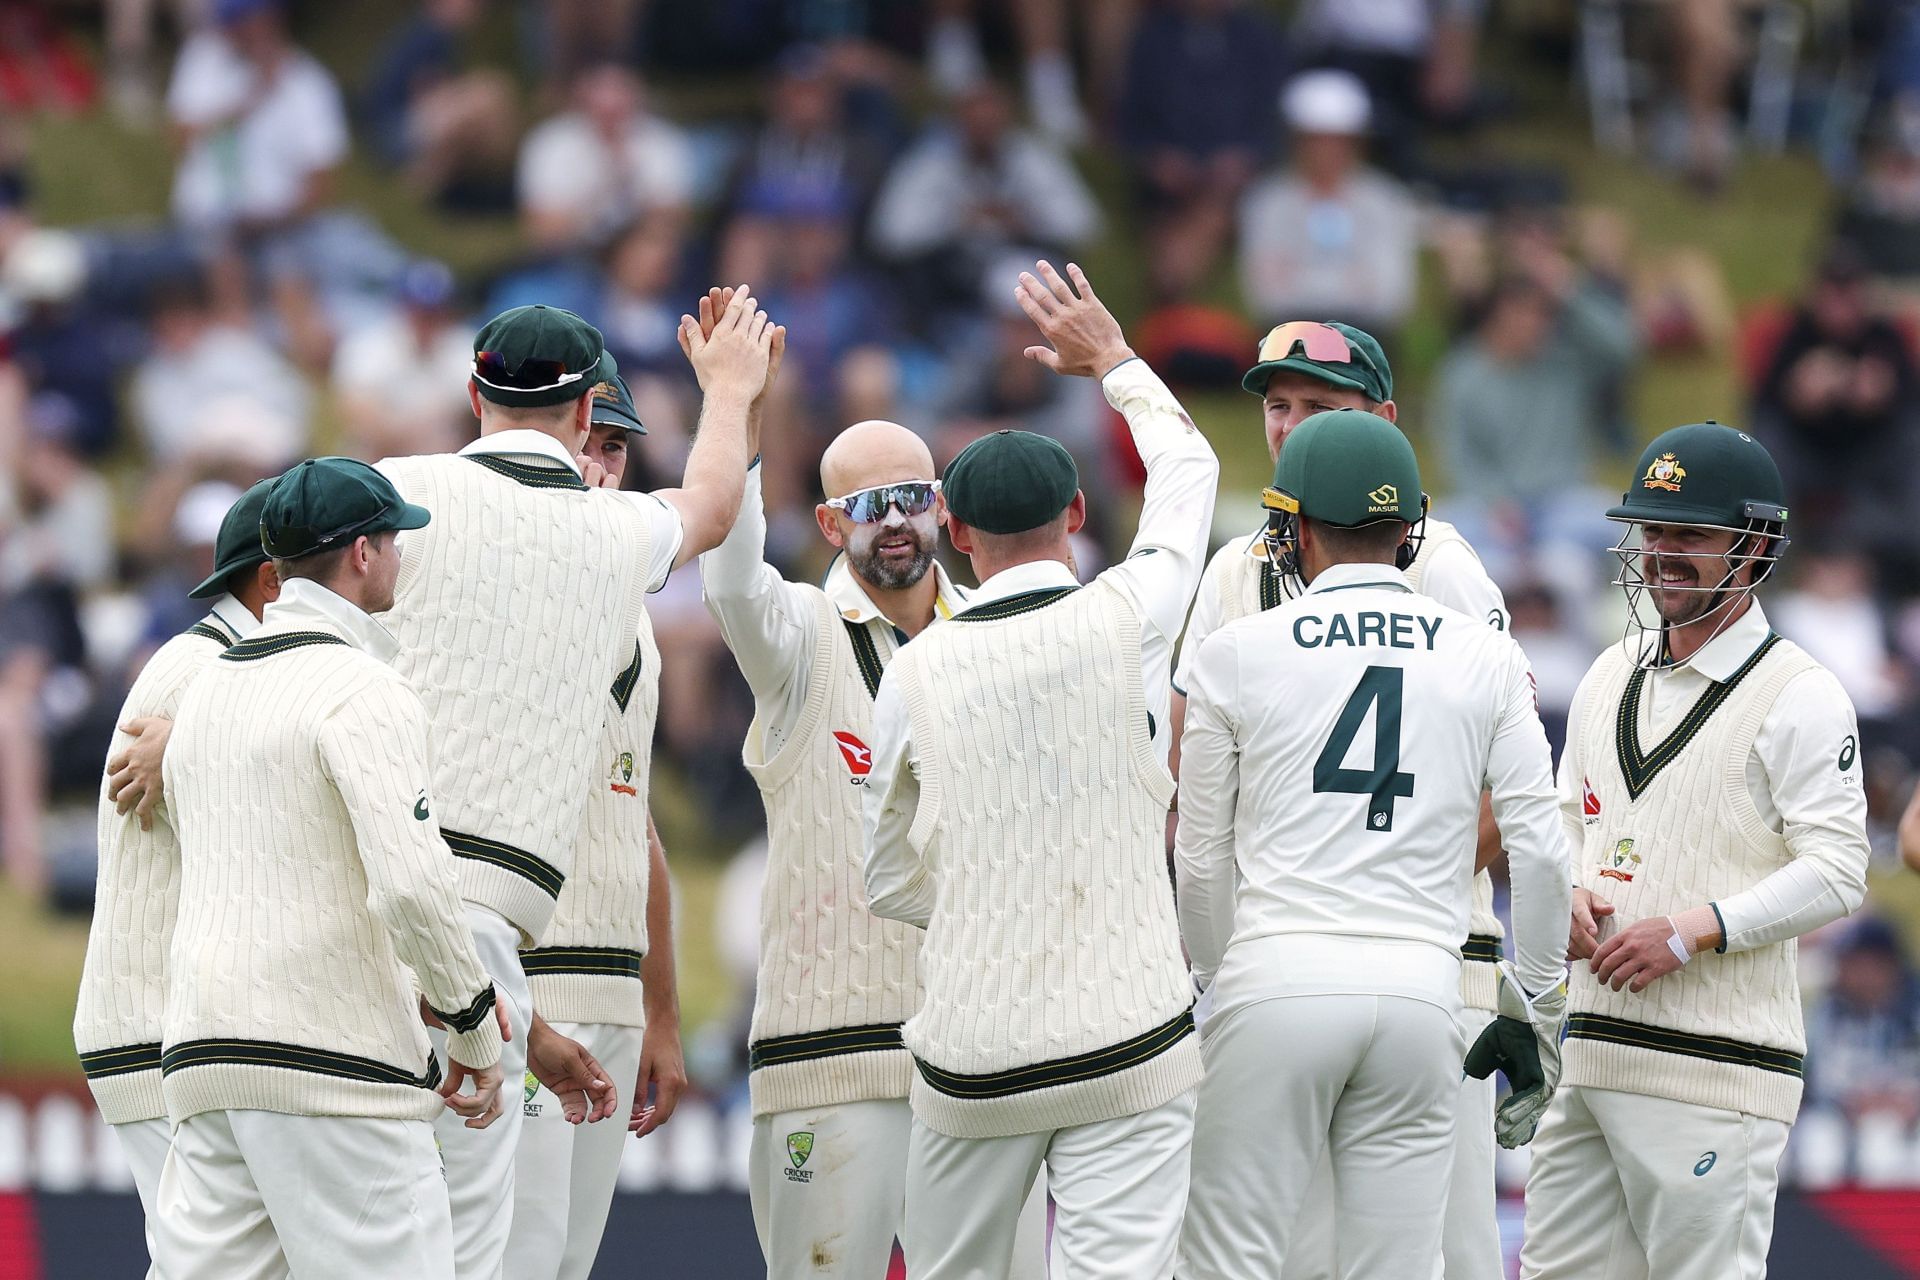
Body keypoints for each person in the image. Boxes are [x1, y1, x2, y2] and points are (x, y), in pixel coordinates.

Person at [371, 294, 770, 1278]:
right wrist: (729, 388)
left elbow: (275, 599)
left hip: (386, 916)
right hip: (490, 945)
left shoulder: (391, 490)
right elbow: (715, 503)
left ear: (472, 394)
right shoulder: (605, 536)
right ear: (592, 414)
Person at [863, 261, 1218, 1277]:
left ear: (956, 536)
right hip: (1131, 1040)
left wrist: (985, 898)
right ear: (1074, 515)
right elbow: (1189, 472)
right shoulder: (1131, 610)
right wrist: (1113, 359)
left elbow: (887, 875)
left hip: (975, 1052)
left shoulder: (914, 669)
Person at [698, 288, 1053, 1278]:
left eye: (911, 497)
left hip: (983, 1055)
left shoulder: (996, 633)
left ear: (942, 505)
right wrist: (740, 407)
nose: (893, 522)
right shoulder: (799, 638)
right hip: (831, 1052)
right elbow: (728, 581)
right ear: (827, 519)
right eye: (867, 505)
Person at [1173, 409, 1572, 1278]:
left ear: (1298, 527)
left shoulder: (1237, 649)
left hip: (1275, 973)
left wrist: (1216, 978)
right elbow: (1539, 847)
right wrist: (1535, 1007)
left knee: (1229, 1262)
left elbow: (1199, 859)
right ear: (1407, 530)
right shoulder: (1487, 656)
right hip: (1425, 990)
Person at [1521, 422, 1872, 1279]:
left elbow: (1838, 870)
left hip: (1717, 1072)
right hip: (1591, 1051)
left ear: (1754, 547)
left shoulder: (1801, 693)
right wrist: (1564, 889)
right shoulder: (1607, 672)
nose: (1661, 554)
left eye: (1690, 535)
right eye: (1652, 530)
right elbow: (1568, 819)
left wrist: (1694, 930)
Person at [151, 458, 507, 1279]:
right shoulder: (363, 688)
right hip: (332, 1064)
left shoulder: (206, 693)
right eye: (394, 540)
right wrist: (474, 1023)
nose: (402, 557)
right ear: (360, 554)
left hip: (207, 1054)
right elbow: (413, 883)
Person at [503, 374, 687, 1280]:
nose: (601, 465)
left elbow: (636, 820)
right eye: (592, 442)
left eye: (617, 449)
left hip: (612, 986)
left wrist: (661, 1011)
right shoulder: (503, 575)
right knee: (513, 1261)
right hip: (528, 983)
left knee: (566, 1265)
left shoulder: (638, 613)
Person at [72, 477, 279, 1265]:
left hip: (174, 1027)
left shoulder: (223, 669)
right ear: (271, 580)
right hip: (158, 1030)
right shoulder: (197, 674)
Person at [1237, 70, 1419, 334]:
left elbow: (1392, 296)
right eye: (1315, 140)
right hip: (1287, 339)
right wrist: (1349, 283)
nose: (1326, 151)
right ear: (1296, 141)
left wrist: (1300, 279)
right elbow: (1265, 297)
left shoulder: (1385, 200)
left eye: (1337, 140)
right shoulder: (1267, 202)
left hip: (1365, 339)